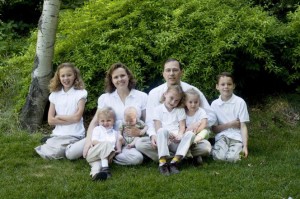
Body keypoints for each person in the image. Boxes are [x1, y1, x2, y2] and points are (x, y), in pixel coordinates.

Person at [136, 58, 215, 165]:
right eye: (168, 70)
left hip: (184, 136)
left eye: (175, 70)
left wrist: (195, 126)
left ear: (181, 72)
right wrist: (153, 135)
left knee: (205, 147)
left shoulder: (192, 91)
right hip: (163, 137)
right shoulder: (154, 93)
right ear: (163, 73)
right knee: (140, 144)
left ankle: (167, 157)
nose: (171, 73)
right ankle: (185, 157)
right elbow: (150, 121)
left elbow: (211, 116)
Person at [83, 62, 148, 165]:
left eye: (122, 76)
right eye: (116, 77)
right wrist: (88, 141)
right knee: (75, 152)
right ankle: (105, 152)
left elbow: (147, 121)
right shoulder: (105, 98)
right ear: (111, 80)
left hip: (130, 141)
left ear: (128, 76)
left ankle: (109, 156)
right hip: (107, 139)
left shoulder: (142, 96)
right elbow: (95, 122)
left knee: (137, 158)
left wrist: (140, 133)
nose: (120, 79)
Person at [35, 63, 87, 160]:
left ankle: (55, 144)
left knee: (58, 152)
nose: (66, 78)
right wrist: (69, 119)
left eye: (69, 75)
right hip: (59, 133)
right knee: (58, 150)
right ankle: (54, 142)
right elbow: (50, 120)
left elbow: (77, 118)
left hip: (75, 134)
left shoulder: (81, 93)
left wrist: (59, 117)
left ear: (75, 75)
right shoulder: (55, 94)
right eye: (63, 76)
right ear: (59, 77)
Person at [154, 85, 195, 175]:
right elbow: (158, 128)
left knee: (190, 134)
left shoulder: (179, 110)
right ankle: (163, 162)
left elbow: (182, 127)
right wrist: (169, 134)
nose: (173, 102)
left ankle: (175, 162)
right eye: (171, 98)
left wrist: (179, 136)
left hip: (176, 141)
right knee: (161, 131)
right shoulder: (158, 109)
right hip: (164, 141)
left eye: (176, 100)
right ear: (165, 94)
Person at [211, 72, 249, 162]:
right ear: (217, 86)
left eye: (229, 84)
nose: (226, 87)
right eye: (222, 84)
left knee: (232, 158)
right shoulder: (214, 104)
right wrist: (230, 124)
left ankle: (234, 149)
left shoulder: (240, 102)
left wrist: (245, 147)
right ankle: (213, 148)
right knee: (219, 158)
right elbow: (214, 129)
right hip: (221, 137)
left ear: (234, 86)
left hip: (237, 137)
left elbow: (243, 126)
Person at [86, 107, 119, 181]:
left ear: (113, 121)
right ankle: (106, 169)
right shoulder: (98, 129)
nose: (105, 123)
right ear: (99, 121)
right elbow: (94, 141)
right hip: (94, 153)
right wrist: (106, 146)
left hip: (102, 158)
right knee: (107, 144)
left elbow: (117, 145)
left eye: (108, 120)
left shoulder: (115, 133)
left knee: (97, 166)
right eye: (102, 121)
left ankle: (95, 176)